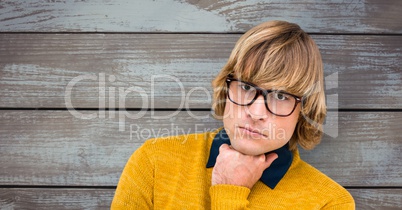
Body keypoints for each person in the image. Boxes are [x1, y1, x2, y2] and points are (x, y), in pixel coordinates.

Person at [111, 20, 355, 209]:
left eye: (281, 96)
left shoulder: (329, 203)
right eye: (247, 87)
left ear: (304, 110)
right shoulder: (154, 161)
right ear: (227, 89)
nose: (256, 112)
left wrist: (229, 193)